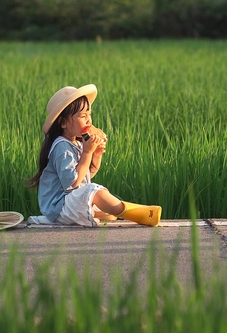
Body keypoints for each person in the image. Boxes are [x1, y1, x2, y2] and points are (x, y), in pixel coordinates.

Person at [25, 84, 161, 227]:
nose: (89, 120)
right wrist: (87, 152)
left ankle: (127, 211)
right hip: (59, 207)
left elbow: (88, 173)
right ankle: (140, 213)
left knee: (109, 213)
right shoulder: (61, 147)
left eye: (89, 114)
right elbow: (73, 183)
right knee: (95, 191)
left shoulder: (76, 143)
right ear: (63, 122)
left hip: (69, 203)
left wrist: (95, 154)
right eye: (83, 116)